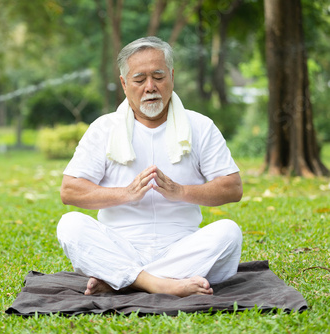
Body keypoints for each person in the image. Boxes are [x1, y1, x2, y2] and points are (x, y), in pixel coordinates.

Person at [56, 36, 243, 297]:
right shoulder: (104, 128)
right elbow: (70, 191)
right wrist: (126, 194)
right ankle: (163, 284)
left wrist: (181, 192)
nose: (150, 87)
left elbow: (232, 188)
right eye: (139, 79)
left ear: (172, 76)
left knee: (229, 233)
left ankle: (124, 280)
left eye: (158, 76)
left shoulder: (200, 126)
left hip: (181, 247)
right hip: (119, 245)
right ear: (124, 84)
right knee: (70, 225)